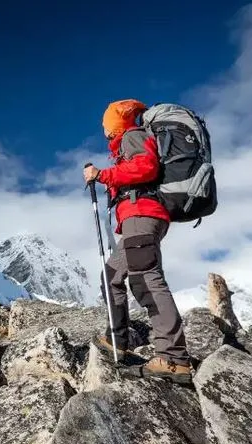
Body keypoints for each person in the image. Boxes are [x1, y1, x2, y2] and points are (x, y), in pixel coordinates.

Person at [83, 99, 192, 384]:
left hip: (142, 214)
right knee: (112, 276)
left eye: (106, 124)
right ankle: (117, 340)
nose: (104, 130)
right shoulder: (127, 143)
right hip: (137, 218)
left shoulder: (132, 136)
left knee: (146, 278)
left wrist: (102, 175)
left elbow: (146, 168)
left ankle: (173, 357)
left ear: (114, 124)